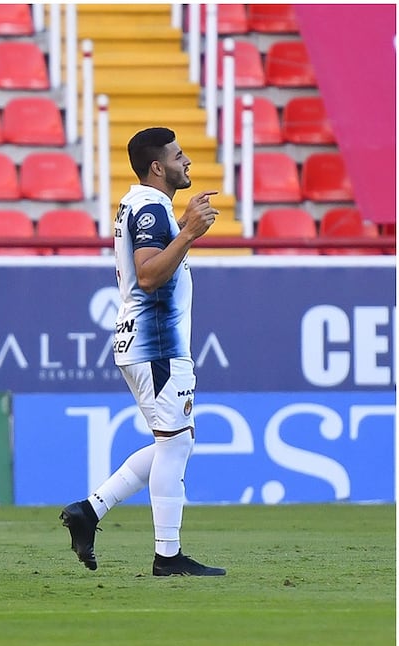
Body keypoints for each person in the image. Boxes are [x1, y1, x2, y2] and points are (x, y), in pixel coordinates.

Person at [59, 127, 226, 577]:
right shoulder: (151, 207)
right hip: (157, 344)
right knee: (175, 445)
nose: (187, 161)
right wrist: (188, 232)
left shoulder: (139, 203)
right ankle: (167, 556)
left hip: (147, 343)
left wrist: (184, 231)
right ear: (158, 167)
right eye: (178, 155)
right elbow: (149, 274)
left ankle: (89, 512)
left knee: (174, 442)